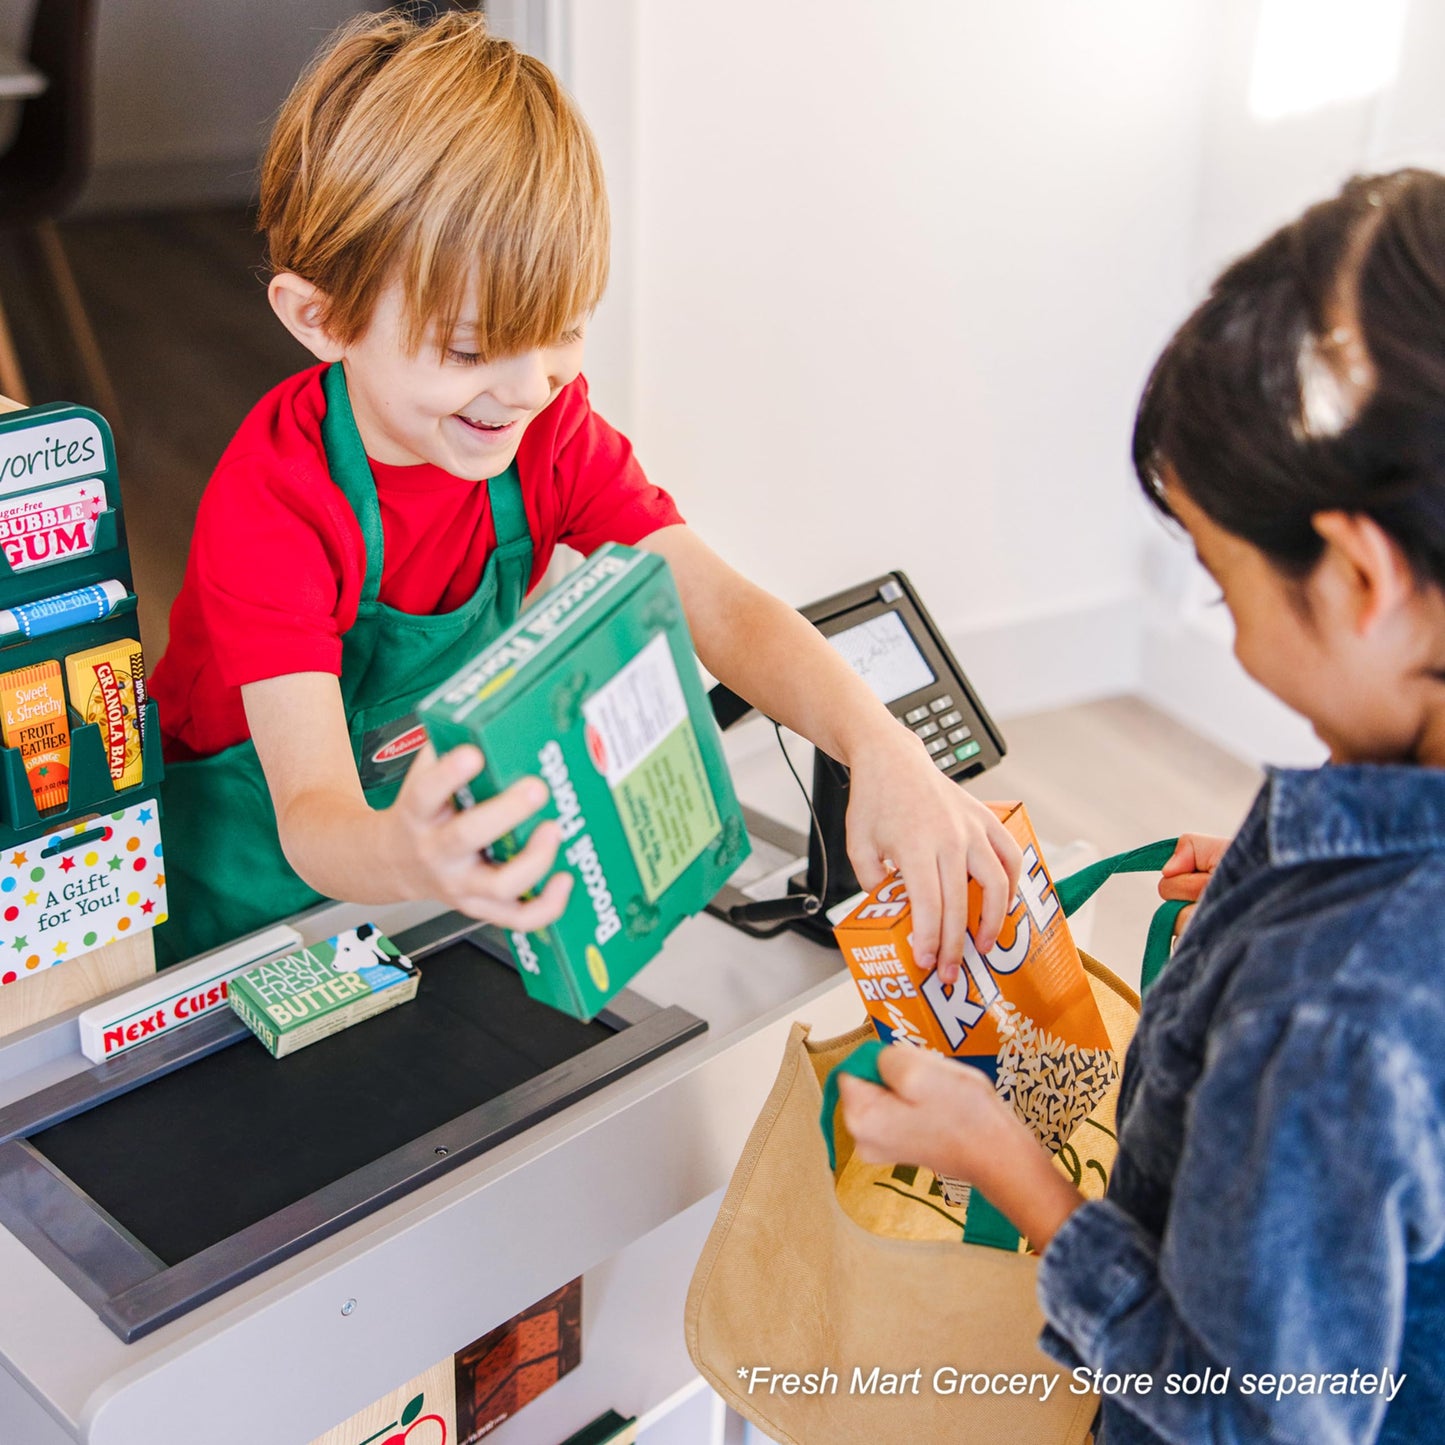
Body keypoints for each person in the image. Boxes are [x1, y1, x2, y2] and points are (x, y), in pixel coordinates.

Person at [148, 10, 1021, 969]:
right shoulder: (275, 506)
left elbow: (719, 605)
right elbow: (314, 816)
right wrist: (406, 850)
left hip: (425, 866)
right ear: (319, 317)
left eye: (562, 329)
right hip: (241, 892)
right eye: (470, 347)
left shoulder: (545, 431)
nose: (529, 386)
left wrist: (881, 747)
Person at [840, 168, 1445, 1443]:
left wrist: (1001, 1156)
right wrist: (1279, 892)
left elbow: (1246, 1414)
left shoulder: (1332, 1008)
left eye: (1224, 590)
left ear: (1353, 573)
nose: (1226, 636)